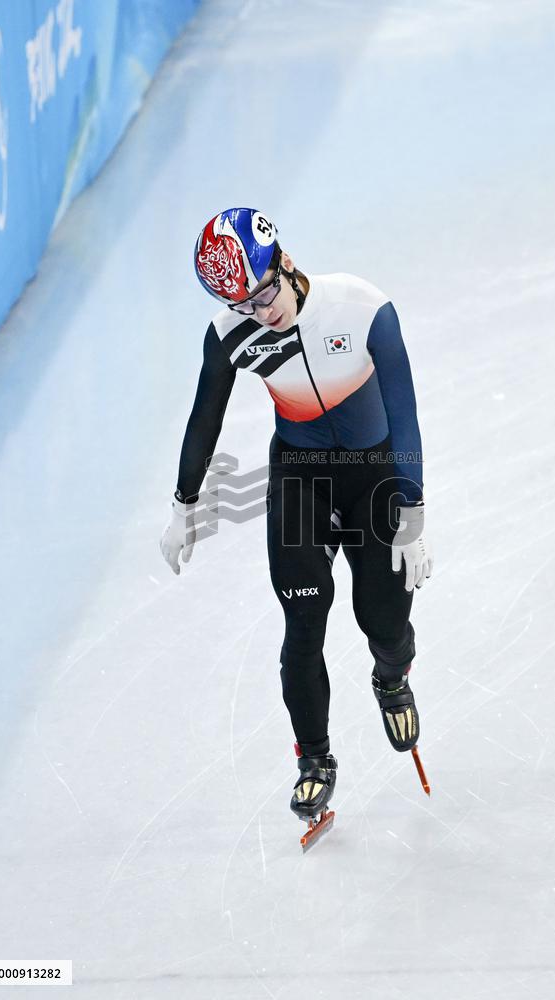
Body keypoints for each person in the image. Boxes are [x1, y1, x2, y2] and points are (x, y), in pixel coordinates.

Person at [160, 207, 432, 826]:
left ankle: (392, 676)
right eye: (247, 305)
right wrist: (184, 503)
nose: (263, 310)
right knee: (303, 620)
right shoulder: (231, 332)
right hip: (302, 479)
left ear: (284, 261)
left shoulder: (361, 306)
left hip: (374, 475)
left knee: (381, 617)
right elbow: (206, 417)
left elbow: (404, 409)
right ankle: (315, 761)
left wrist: (413, 506)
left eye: (264, 292)